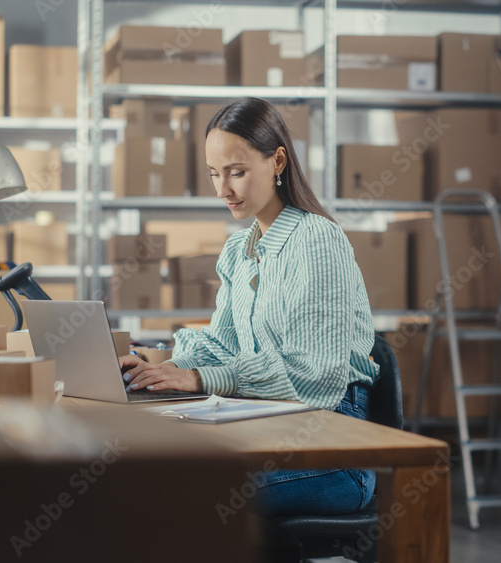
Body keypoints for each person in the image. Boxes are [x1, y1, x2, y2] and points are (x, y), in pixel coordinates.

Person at [118, 97, 380, 518]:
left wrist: (199, 377)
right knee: (145, 479)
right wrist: (164, 374)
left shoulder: (317, 241)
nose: (224, 190)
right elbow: (220, 344)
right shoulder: (240, 249)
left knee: (182, 500)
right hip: (269, 428)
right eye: (214, 175)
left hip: (331, 448)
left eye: (237, 172)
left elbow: (318, 380)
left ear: (277, 162)